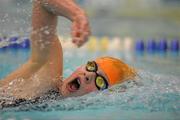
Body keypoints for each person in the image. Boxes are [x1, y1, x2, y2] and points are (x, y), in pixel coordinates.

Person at [0, 0, 136, 101]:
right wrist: (77, 14)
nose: (89, 75)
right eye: (92, 66)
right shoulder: (47, 80)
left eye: (100, 81)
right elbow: (42, 3)